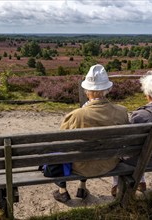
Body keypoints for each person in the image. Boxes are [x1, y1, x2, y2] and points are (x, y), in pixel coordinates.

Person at [53, 64, 129, 203]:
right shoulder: (122, 112)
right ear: (108, 89)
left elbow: (61, 144)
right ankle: (82, 187)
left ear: (87, 91)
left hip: (81, 166)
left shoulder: (76, 115)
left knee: (58, 153)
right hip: (109, 163)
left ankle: (62, 190)